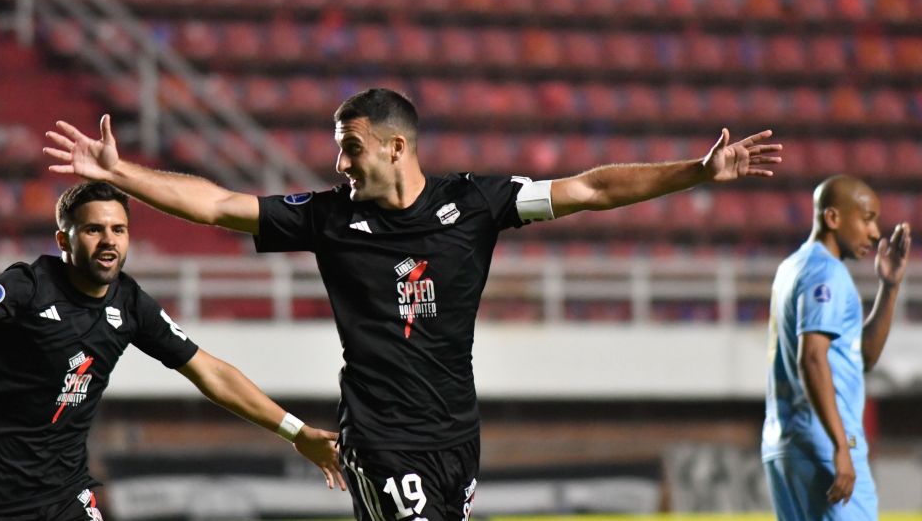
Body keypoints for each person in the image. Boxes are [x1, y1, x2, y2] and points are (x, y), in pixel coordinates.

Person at [44, 88, 782, 520]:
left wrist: (696, 171)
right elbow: (216, 206)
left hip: (457, 434)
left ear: (396, 147)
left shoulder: (479, 202)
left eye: (351, 147)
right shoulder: (329, 217)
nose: (340, 163)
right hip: (381, 436)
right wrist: (123, 175)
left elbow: (590, 190)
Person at [0, 181, 345, 521]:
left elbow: (210, 372)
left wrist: (297, 431)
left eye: (118, 229)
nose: (108, 240)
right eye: (94, 229)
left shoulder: (129, 303)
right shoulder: (28, 285)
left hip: (64, 496)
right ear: (64, 239)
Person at [762, 175, 911, 520]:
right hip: (824, 442)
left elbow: (864, 358)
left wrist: (888, 287)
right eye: (867, 218)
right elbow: (812, 358)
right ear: (832, 218)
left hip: (784, 442)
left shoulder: (791, 268)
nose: (875, 234)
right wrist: (840, 445)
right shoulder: (826, 274)